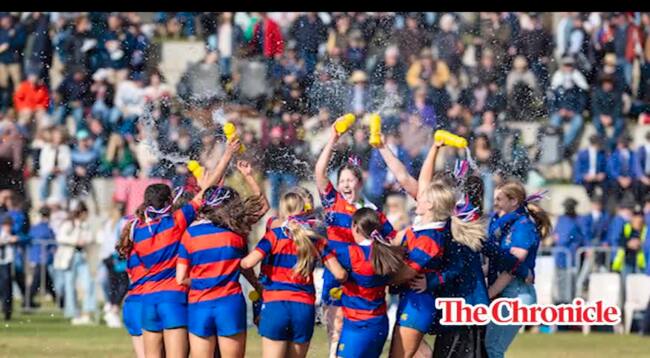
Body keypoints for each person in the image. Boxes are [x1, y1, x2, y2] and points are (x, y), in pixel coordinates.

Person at [126, 138, 240, 358]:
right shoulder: (175, 222)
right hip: (174, 300)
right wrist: (227, 155)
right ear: (170, 201)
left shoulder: (137, 229)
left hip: (148, 301)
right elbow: (205, 194)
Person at [314, 118, 396, 358]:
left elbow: (390, 238)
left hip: (362, 275)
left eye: (350, 180)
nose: (345, 185)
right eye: (342, 181)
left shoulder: (370, 211)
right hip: (336, 271)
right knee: (335, 327)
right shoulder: (332, 202)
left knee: (351, 326)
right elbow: (319, 172)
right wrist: (332, 139)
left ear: (359, 182)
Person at [241, 191, 347, 358]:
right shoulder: (315, 240)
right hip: (303, 307)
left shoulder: (273, 236)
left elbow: (247, 263)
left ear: (282, 212)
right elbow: (340, 274)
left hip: (276, 305)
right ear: (304, 211)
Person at [177, 183, 265, 358]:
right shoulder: (237, 234)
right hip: (230, 304)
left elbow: (180, 278)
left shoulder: (190, 234)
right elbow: (244, 267)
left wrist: (202, 282)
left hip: (199, 304)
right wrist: (258, 287)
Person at [484, 180, 552, 358]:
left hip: (516, 294)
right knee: (487, 348)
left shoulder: (523, 227)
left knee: (493, 349)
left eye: (499, 199)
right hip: (507, 292)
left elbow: (511, 268)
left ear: (513, 201)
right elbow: (495, 264)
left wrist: (488, 295)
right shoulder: (506, 224)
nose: (495, 202)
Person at [335, 208, 404, 358]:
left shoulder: (351, 253)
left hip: (358, 325)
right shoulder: (385, 251)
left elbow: (326, 251)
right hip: (379, 324)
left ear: (356, 227)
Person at [53, 201, 96, 325]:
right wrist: (75, 241)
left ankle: (87, 312)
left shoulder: (85, 225)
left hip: (82, 256)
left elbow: (90, 237)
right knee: (69, 286)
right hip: (69, 257)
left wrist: (84, 240)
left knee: (88, 283)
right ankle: (74, 313)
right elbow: (60, 238)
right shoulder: (68, 224)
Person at [552, 198, 586, 304]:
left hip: (569, 256)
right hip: (565, 257)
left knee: (567, 282)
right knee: (565, 282)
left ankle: (566, 303)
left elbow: (560, 237)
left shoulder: (567, 220)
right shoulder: (569, 219)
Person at [27, 206, 57, 309]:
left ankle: (60, 301)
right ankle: (27, 302)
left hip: (37, 258)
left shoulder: (36, 228)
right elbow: (53, 243)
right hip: (42, 258)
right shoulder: (47, 229)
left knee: (46, 281)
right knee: (38, 281)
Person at [573, 135, 608, 200]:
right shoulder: (582, 154)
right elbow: (577, 170)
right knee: (589, 187)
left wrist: (603, 174)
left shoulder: (602, 154)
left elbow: (606, 167)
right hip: (586, 179)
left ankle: (603, 204)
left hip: (598, 178)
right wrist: (584, 176)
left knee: (607, 186)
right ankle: (594, 203)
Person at [0, 216, 16, 321]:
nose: (8, 228)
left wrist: (14, 239)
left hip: (7, 263)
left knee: (7, 288)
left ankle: (7, 311)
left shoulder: (13, 234)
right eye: (6, 225)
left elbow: (25, 238)